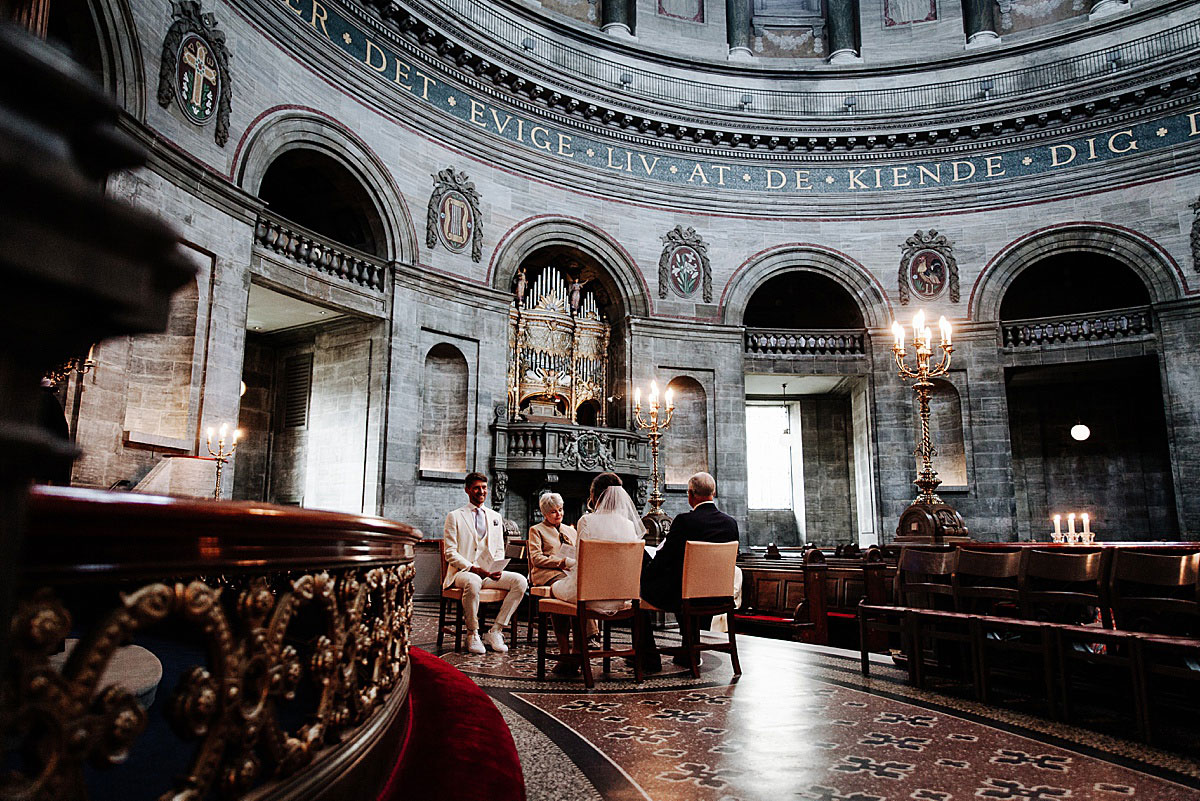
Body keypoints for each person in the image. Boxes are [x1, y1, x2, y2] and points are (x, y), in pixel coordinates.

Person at [639, 471, 740, 670]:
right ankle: (689, 649)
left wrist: (646, 575)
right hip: (718, 595)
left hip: (686, 596)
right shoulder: (731, 524)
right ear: (713, 492)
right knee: (682, 583)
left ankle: (649, 658)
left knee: (638, 595)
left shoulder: (685, 521)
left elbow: (666, 557)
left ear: (691, 495)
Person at [443, 472, 528, 655]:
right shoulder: (455, 516)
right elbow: (450, 552)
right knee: (473, 581)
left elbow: (499, 548)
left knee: (520, 581)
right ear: (467, 490)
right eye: (476, 488)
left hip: (488, 574)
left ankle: (496, 630)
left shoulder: (495, 516)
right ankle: (473, 633)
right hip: (462, 572)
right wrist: (473, 568)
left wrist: (495, 569)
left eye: (484, 487)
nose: (481, 491)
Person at [551, 472, 645, 614]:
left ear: (595, 495)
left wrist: (566, 563)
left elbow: (580, 561)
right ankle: (589, 635)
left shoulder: (586, 521)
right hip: (621, 596)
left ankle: (575, 636)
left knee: (554, 588)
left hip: (589, 595)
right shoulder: (629, 525)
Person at [527, 492, 579, 674]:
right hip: (547, 573)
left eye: (561, 510)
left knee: (579, 589)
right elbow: (536, 558)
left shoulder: (571, 530)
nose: (558, 514)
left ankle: (576, 651)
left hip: (568, 572)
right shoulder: (537, 530)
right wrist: (560, 562)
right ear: (544, 513)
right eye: (553, 512)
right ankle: (567, 649)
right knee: (565, 591)